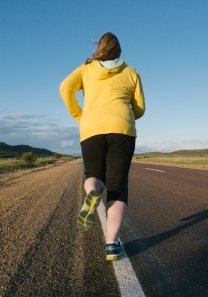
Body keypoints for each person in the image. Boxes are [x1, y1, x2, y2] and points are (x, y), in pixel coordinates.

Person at [59, 32, 145, 261]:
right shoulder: (131, 71)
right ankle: (111, 245)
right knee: (117, 186)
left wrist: (80, 115)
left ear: (99, 48)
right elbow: (140, 109)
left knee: (94, 174)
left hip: (91, 128)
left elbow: (64, 88)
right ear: (119, 50)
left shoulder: (86, 69)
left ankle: (93, 191)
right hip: (122, 130)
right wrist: (125, 115)